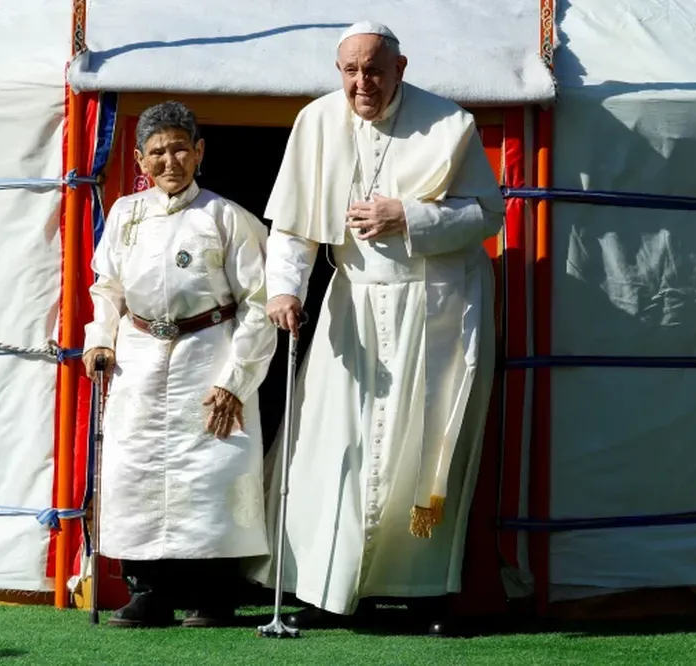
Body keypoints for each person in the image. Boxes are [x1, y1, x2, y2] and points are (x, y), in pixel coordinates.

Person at [249, 21, 505, 636]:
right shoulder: (316, 122)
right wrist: (285, 288)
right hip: (353, 305)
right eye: (350, 71)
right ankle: (326, 588)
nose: (362, 83)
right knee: (334, 445)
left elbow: (487, 214)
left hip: (433, 306)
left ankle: (421, 594)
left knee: (418, 447)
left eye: (374, 70)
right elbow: (293, 226)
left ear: (400, 68)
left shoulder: (450, 124)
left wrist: (408, 215)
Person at [82, 101, 276, 628]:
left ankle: (212, 594)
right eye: (157, 152)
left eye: (180, 149)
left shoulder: (228, 218)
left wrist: (235, 381)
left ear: (200, 152)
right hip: (139, 356)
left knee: (211, 472)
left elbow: (258, 303)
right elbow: (107, 287)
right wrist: (100, 339)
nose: (170, 161)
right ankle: (149, 591)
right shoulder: (125, 214)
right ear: (140, 160)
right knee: (137, 470)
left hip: (208, 353)